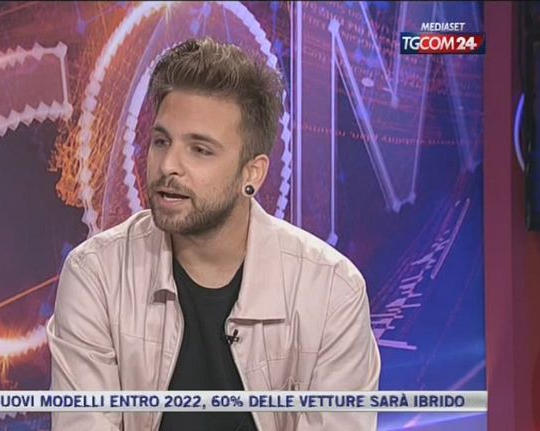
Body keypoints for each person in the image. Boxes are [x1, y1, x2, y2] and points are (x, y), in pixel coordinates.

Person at [46, 37, 381, 431]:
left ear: (252, 173)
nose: (168, 165)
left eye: (200, 150)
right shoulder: (97, 275)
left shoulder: (332, 291)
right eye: (161, 141)